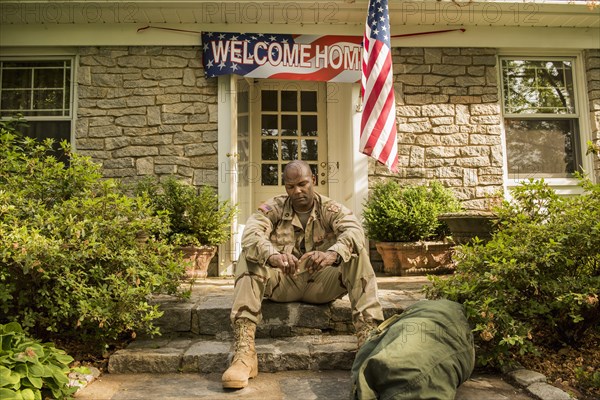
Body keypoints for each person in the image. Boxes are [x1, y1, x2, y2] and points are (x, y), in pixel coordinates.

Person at [222, 160, 384, 390]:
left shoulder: (330, 209)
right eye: (290, 186)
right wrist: (272, 256)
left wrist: (332, 254)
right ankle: (244, 353)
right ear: (285, 188)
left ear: (313, 181)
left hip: (321, 285)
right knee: (249, 257)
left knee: (357, 253)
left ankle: (368, 343)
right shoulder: (274, 208)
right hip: (283, 283)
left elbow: (355, 232)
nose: (297, 191)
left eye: (302, 184)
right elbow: (251, 235)